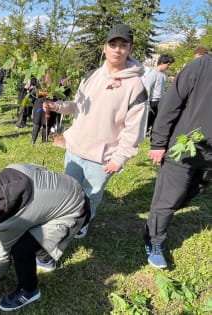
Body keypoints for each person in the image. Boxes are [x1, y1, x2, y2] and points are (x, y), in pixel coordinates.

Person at [43, 24, 148, 238]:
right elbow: (77, 105)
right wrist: (56, 106)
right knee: (70, 190)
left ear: (130, 49)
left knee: (92, 195)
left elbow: (134, 130)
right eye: (113, 44)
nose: (117, 50)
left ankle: (83, 222)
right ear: (105, 47)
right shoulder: (91, 75)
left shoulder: (136, 86)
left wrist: (119, 159)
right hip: (75, 148)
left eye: (123, 45)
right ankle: (67, 217)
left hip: (102, 158)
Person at [0, 163, 90, 312]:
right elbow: (39, 168)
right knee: (29, 230)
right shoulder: (10, 170)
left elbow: (3, 255)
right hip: (73, 188)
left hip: (75, 211)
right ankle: (46, 261)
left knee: (20, 250)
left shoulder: (5, 218)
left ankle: (30, 291)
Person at [143, 51, 212, 269]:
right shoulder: (201, 66)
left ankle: (156, 222)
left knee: (193, 192)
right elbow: (170, 105)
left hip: (209, 158)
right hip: (183, 150)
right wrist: (158, 143)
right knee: (168, 199)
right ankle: (154, 239)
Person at [142, 54, 175, 134]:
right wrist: (147, 103)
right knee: (150, 119)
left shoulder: (164, 74)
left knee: (158, 119)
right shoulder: (153, 74)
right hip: (152, 101)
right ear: (163, 62)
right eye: (168, 64)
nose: (169, 66)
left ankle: (153, 133)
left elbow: (162, 88)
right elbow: (147, 88)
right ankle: (142, 133)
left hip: (160, 100)